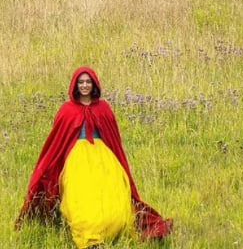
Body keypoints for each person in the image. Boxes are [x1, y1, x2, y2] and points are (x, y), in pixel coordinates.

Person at [15, 67, 172, 248]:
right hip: (77, 160)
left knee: (112, 195)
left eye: (88, 82)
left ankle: (113, 230)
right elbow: (56, 142)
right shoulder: (67, 110)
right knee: (81, 199)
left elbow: (114, 140)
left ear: (94, 84)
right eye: (81, 82)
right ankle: (90, 238)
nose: (84, 85)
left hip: (103, 157)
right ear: (75, 85)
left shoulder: (103, 108)